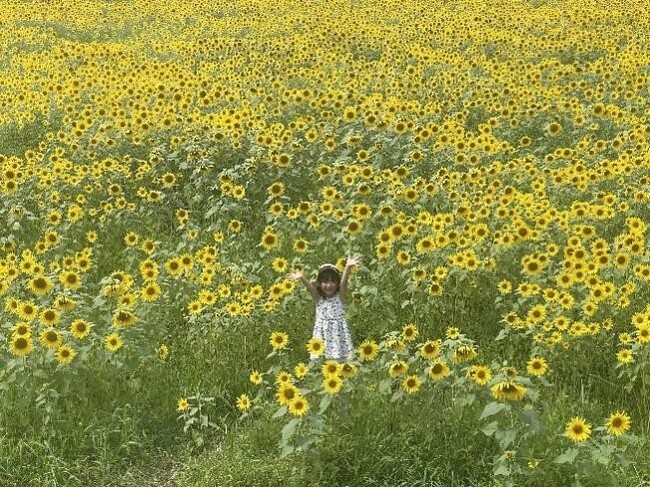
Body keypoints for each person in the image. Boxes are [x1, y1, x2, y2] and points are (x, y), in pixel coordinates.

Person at [287, 256, 361, 362]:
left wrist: (348, 268)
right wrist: (301, 278)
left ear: (337, 283)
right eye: (325, 282)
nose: (329, 285)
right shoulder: (319, 299)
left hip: (338, 334)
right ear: (319, 284)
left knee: (340, 360)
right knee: (321, 361)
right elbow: (310, 288)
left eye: (332, 281)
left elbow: (344, 283)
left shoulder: (340, 297)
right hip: (322, 334)